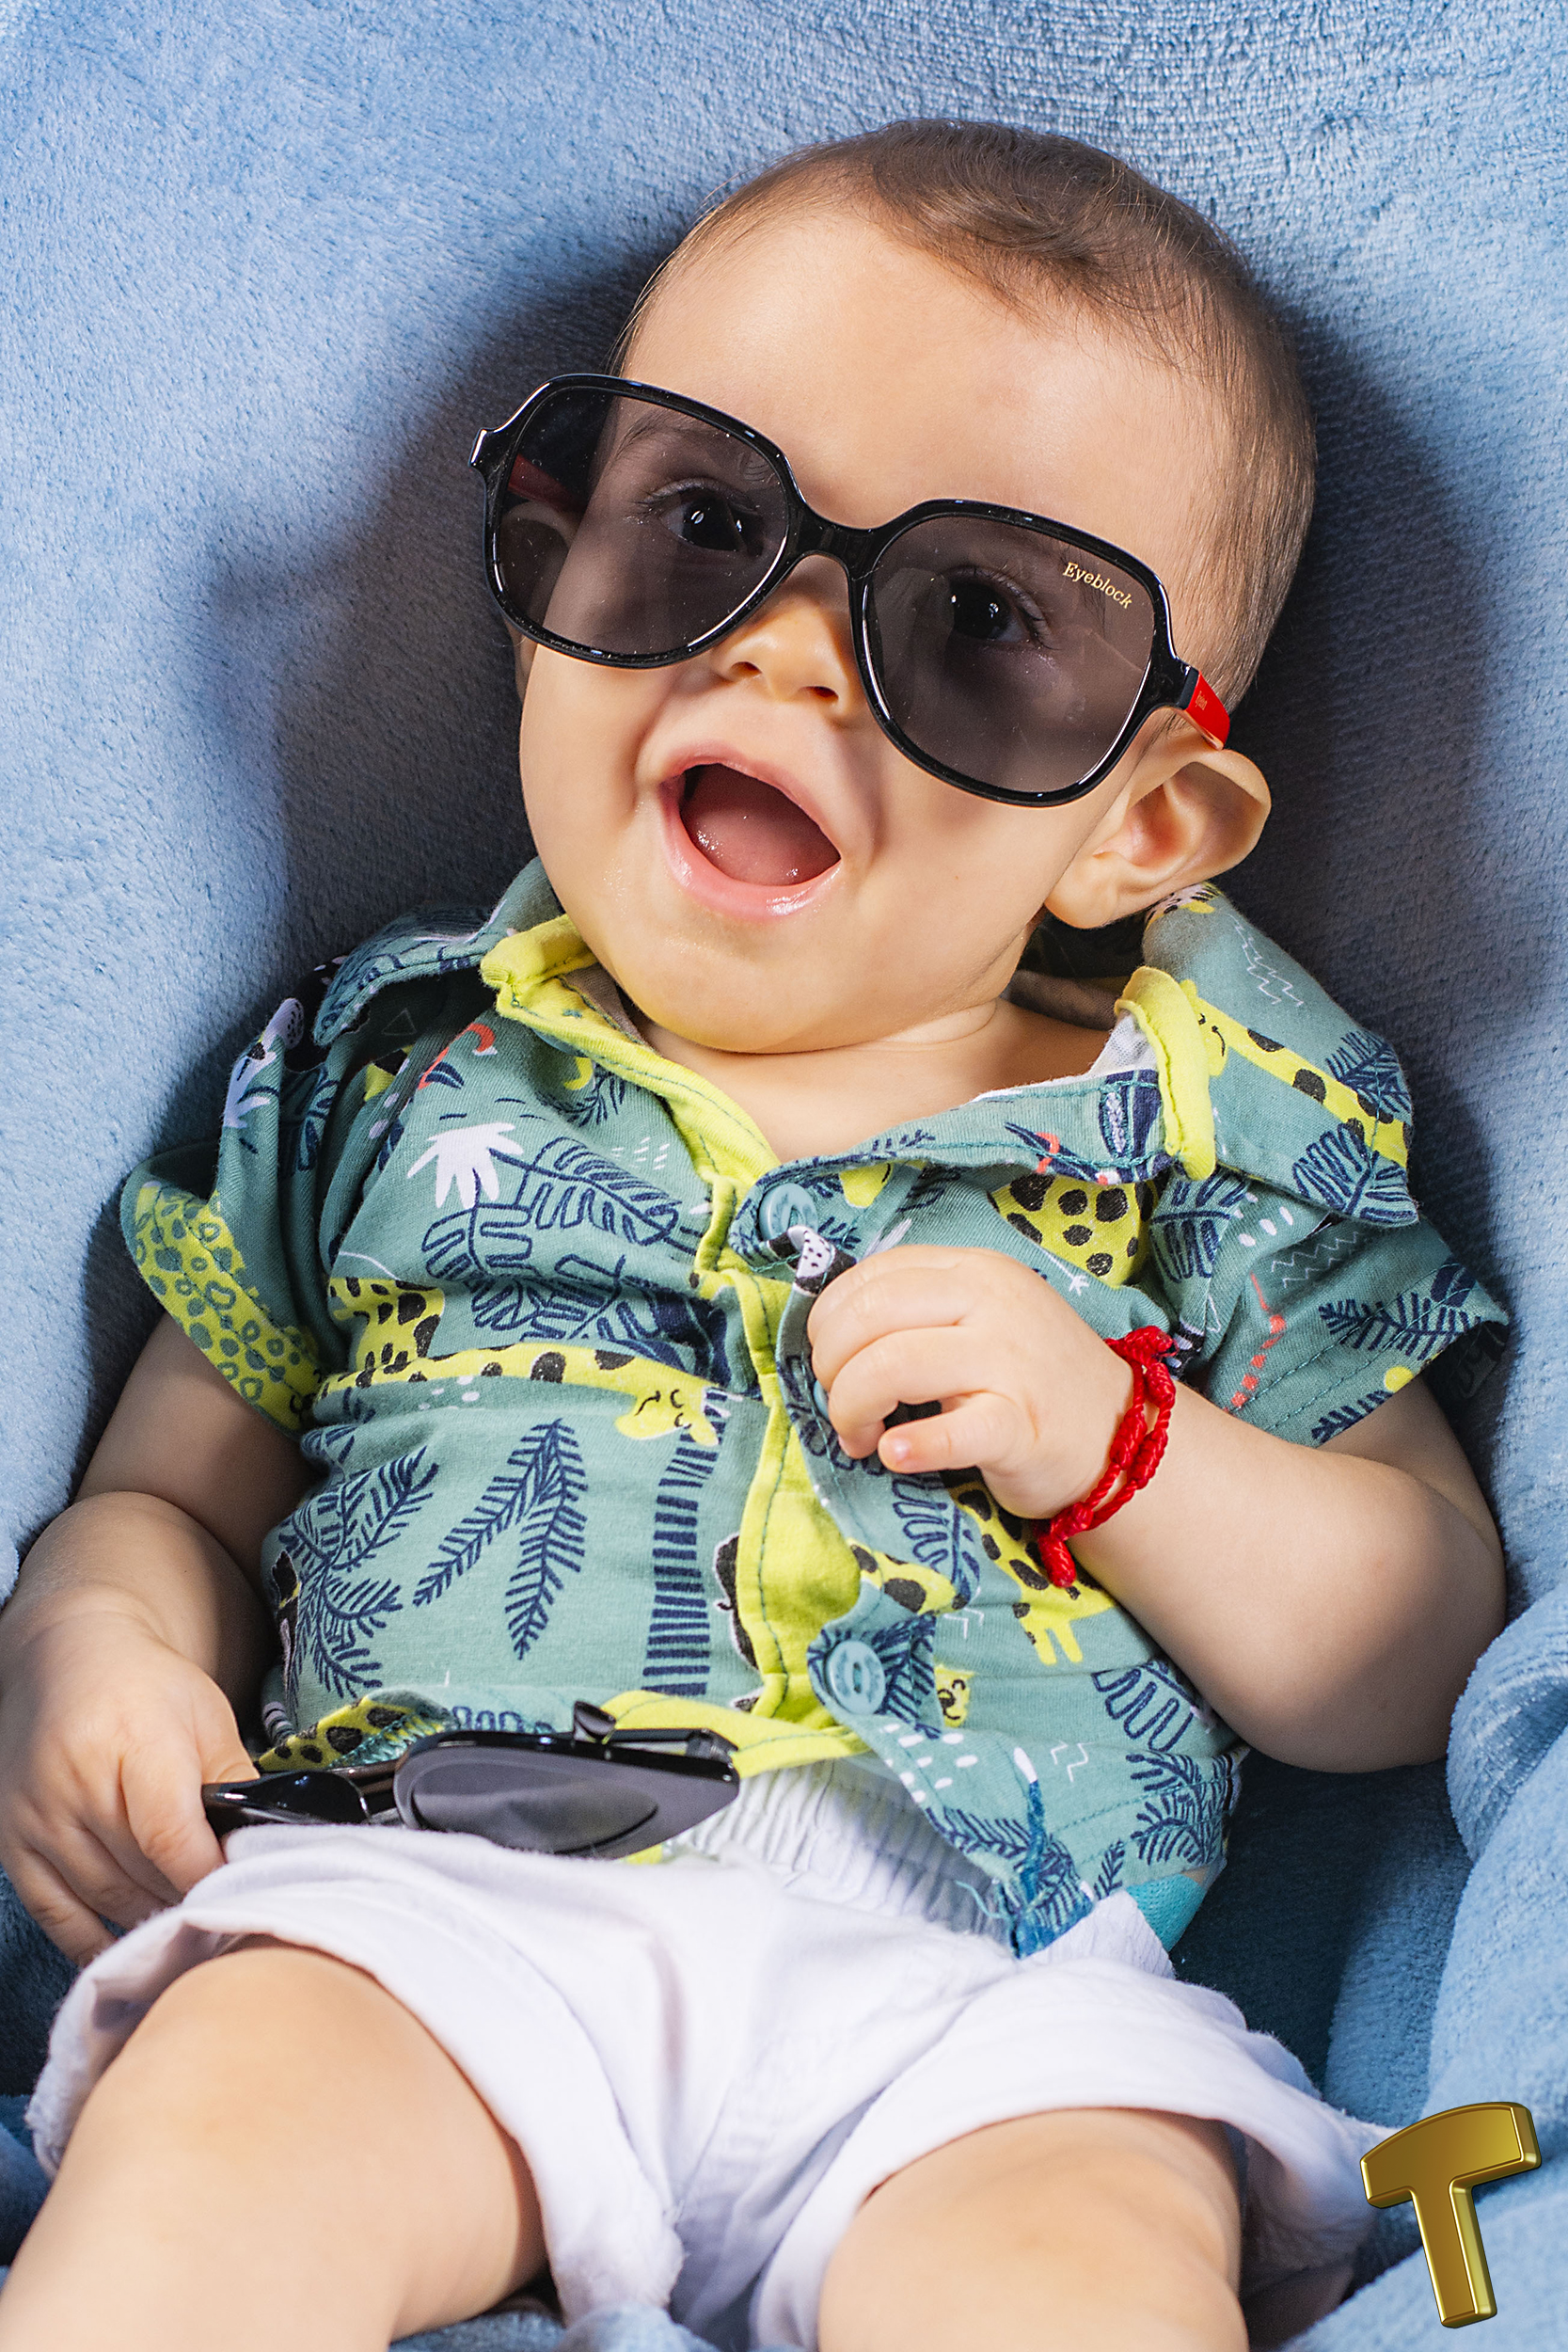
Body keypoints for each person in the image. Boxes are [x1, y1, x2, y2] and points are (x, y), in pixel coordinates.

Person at [0, 121, 1507, 2352]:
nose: (788, 653)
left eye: (978, 621)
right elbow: (164, 1491)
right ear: (555, 545)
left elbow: (1421, 1627)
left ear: (1143, 824)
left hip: (993, 2020)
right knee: (226, 2129)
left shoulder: (1208, 1125)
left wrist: (1127, 1446)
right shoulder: (396, 1061)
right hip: (432, 1911)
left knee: (1082, 2266)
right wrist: (94, 1639)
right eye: (705, 524)